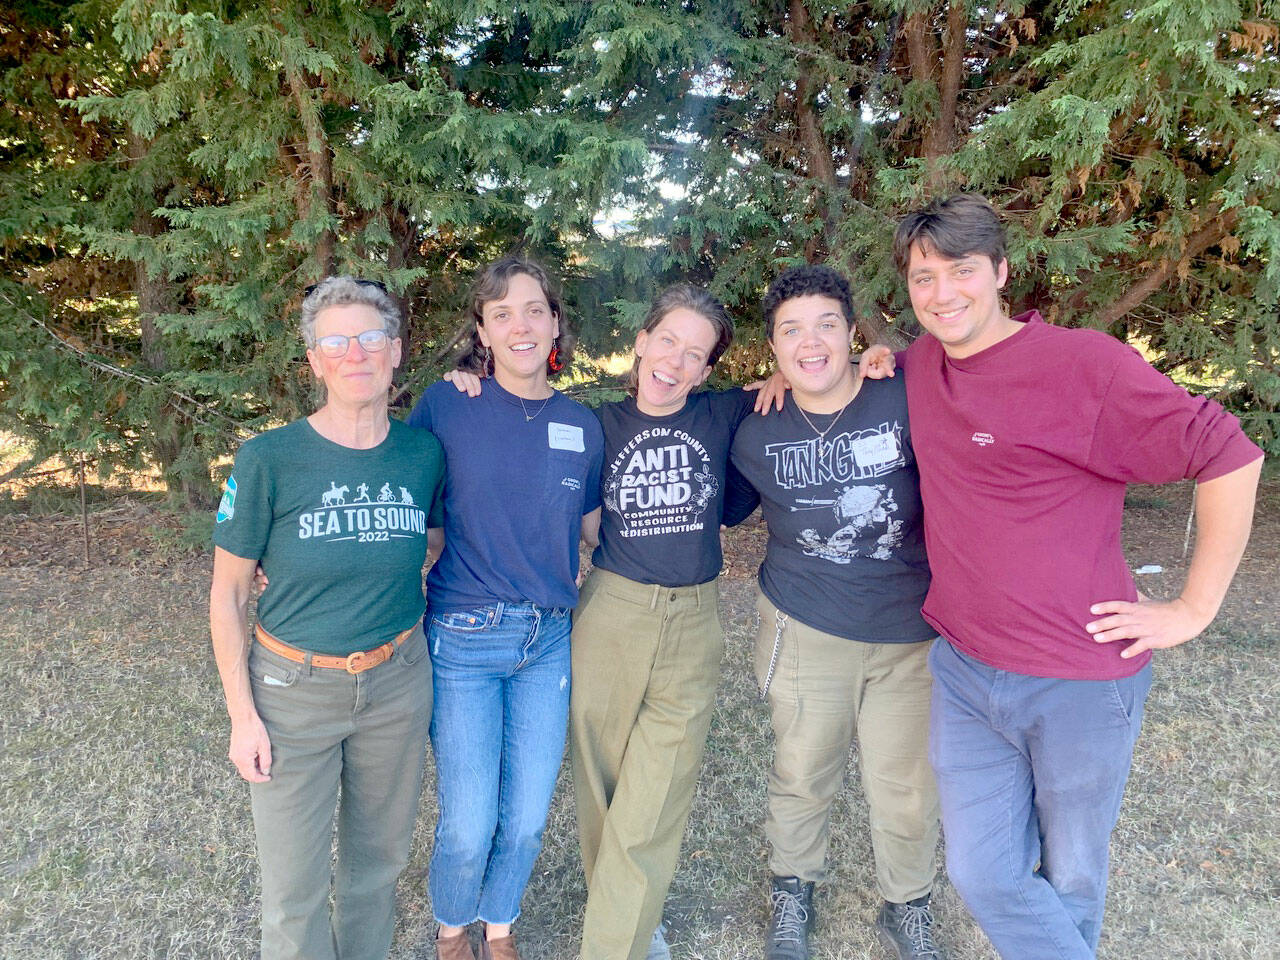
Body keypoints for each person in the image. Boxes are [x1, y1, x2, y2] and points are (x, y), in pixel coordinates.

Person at [888, 194, 1264, 959]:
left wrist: (1194, 607)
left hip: (1080, 682)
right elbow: (873, 372)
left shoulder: (1082, 365)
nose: (942, 294)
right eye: (923, 278)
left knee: (1072, 879)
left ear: (999, 271)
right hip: (964, 672)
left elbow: (1229, 451)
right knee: (981, 871)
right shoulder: (921, 364)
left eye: (961, 271)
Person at [209, 276, 446, 960]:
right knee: (294, 888)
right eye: (335, 341)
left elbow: (429, 537)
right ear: (314, 361)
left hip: (396, 685)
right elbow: (228, 594)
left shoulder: (421, 454)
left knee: (376, 869)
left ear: (396, 351)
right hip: (291, 692)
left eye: (371, 337)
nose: (356, 353)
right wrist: (242, 716)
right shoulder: (269, 460)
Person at [730, 265, 945, 960]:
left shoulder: (903, 397)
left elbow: (962, 361)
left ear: (853, 331)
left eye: (827, 324)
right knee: (801, 772)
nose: (811, 341)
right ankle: (794, 891)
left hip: (908, 632)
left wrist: (895, 356)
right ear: (773, 346)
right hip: (804, 626)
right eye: (791, 330)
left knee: (906, 785)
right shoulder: (753, 426)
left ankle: (907, 904)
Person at [406, 256, 605, 960]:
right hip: (462, 637)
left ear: (555, 322)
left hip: (548, 640)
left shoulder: (582, 424)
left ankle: (499, 925)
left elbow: (594, 530)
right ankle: (453, 928)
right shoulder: (446, 404)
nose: (520, 324)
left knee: (523, 820)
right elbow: (411, 508)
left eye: (533, 310)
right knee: (468, 820)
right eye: (501, 313)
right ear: (482, 331)